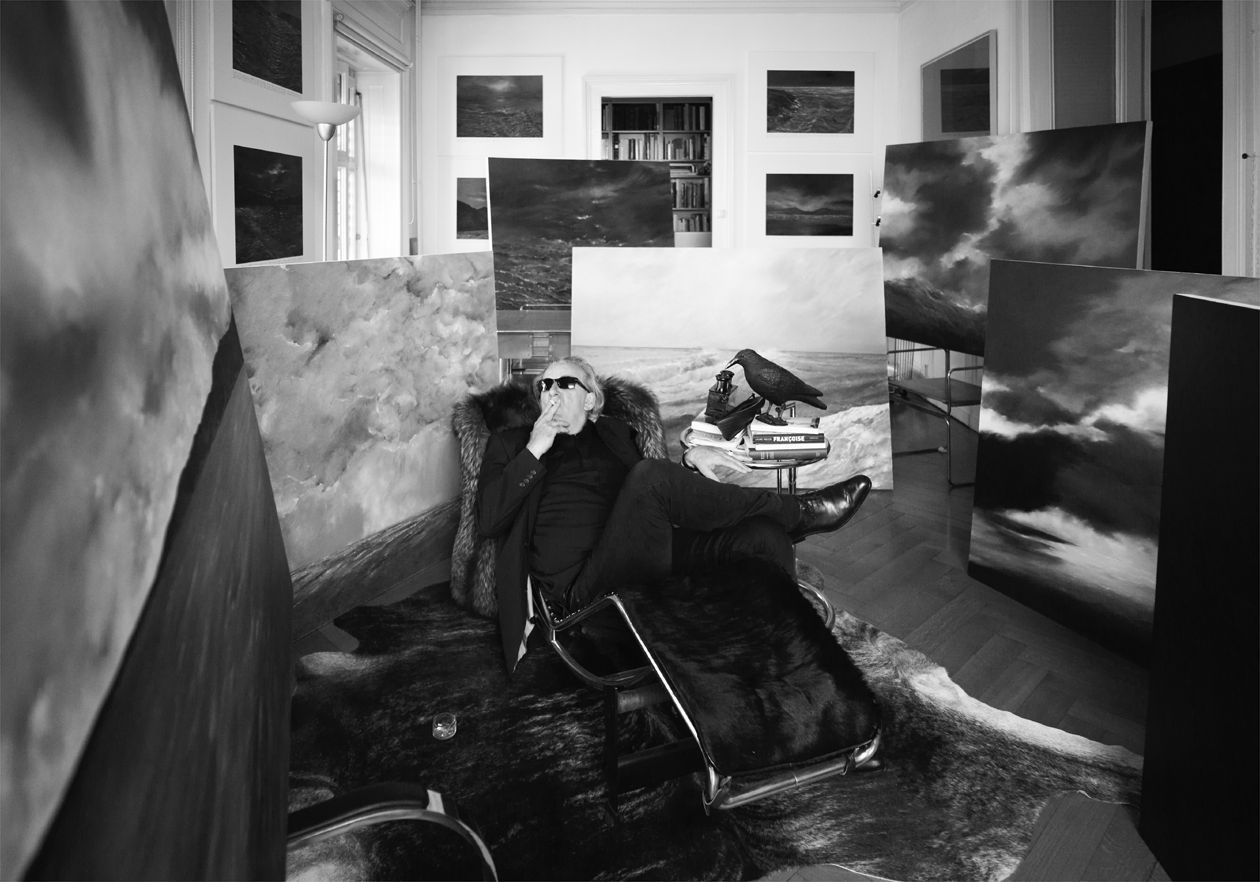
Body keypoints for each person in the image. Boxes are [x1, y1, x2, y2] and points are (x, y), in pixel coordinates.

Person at [476, 356, 871, 668]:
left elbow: (650, 496)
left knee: (765, 537)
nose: (550, 391)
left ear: (591, 399)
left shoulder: (614, 432)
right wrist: (536, 448)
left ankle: (785, 648)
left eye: (564, 382)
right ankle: (799, 512)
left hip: (642, 556)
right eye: (543, 385)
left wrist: (689, 460)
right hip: (584, 594)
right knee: (651, 477)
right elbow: (489, 520)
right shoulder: (512, 444)